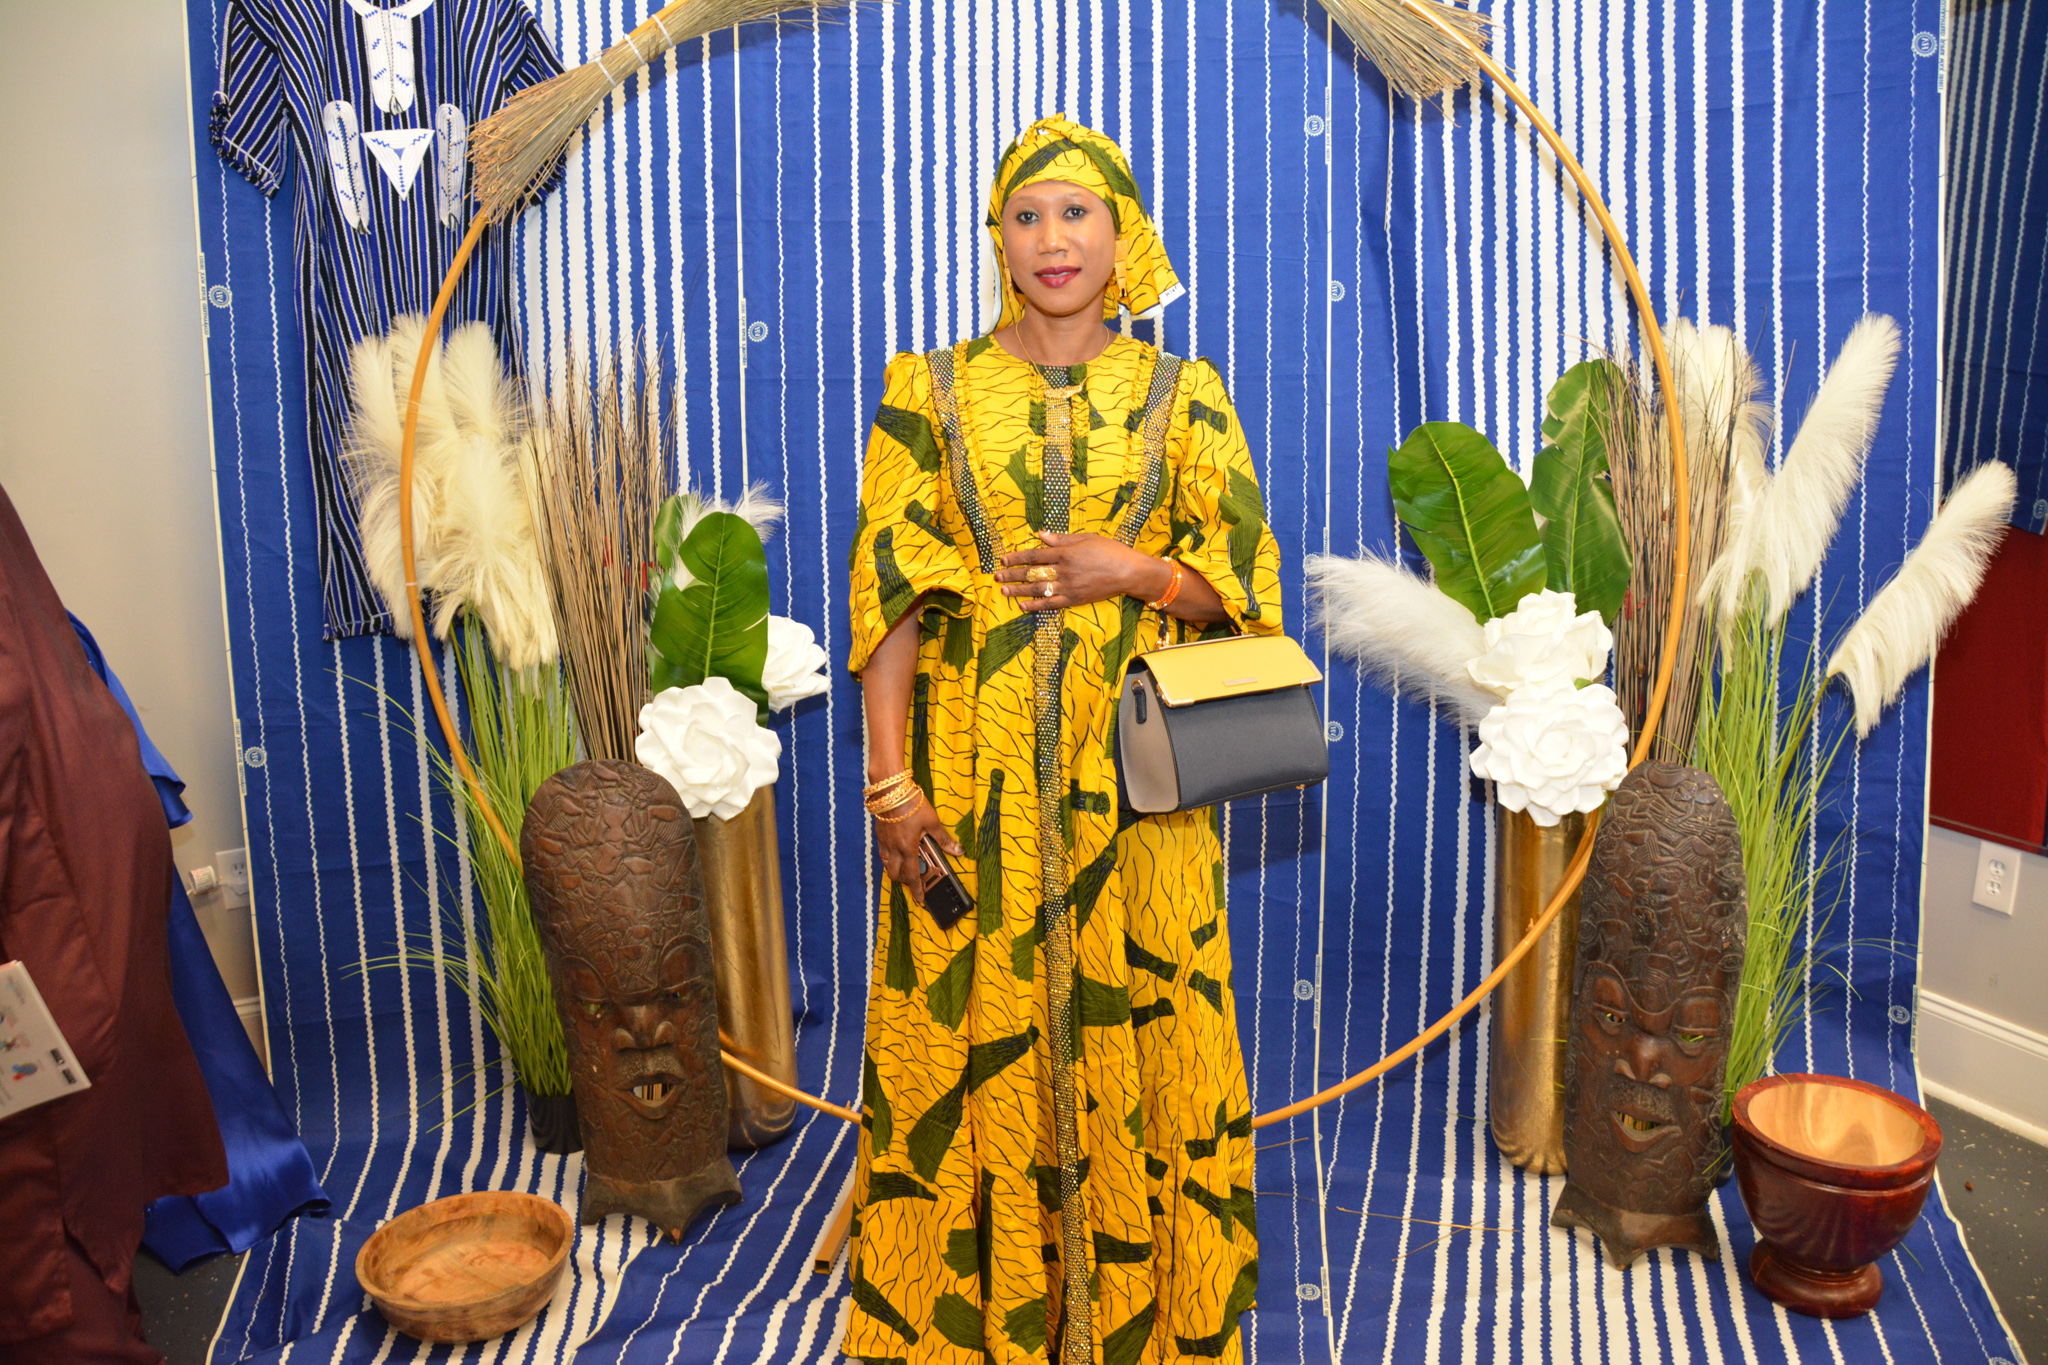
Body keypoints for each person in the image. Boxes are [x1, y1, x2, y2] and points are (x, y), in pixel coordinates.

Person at [846, 115, 1280, 1365]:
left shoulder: (1183, 393)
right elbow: (889, 598)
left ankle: (1147, 1313)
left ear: (1120, 234)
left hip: (1136, 780)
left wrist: (1132, 571)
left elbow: (1243, 592)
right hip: (969, 777)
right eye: (1025, 215)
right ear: (997, 240)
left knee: (1141, 1014)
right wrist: (890, 786)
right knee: (967, 1024)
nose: (1051, 239)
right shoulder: (926, 389)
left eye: (1075, 212)